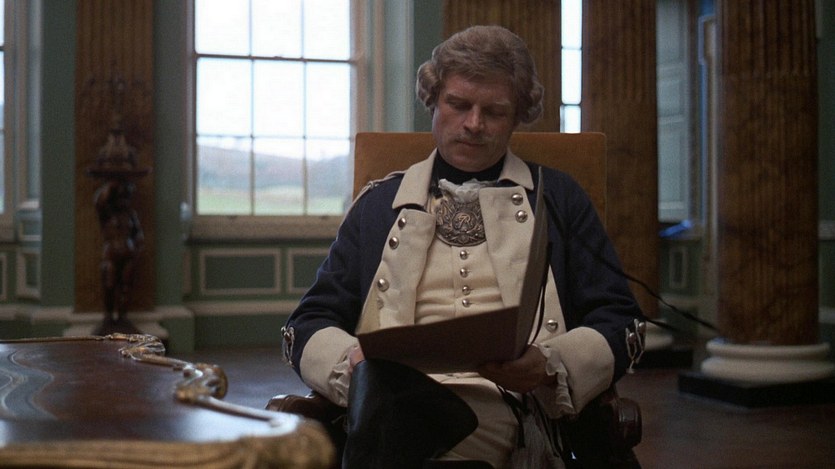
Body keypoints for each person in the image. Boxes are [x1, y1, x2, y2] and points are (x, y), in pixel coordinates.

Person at [283, 25, 644, 468]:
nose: (474, 124)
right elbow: (310, 321)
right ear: (433, 101)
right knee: (388, 410)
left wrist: (549, 366)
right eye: (458, 105)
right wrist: (351, 363)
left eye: (494, 111)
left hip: (512, 405)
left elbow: (619, 319)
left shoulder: (559, 199)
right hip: (388, 399)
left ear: (517, 116)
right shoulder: (378, 205)